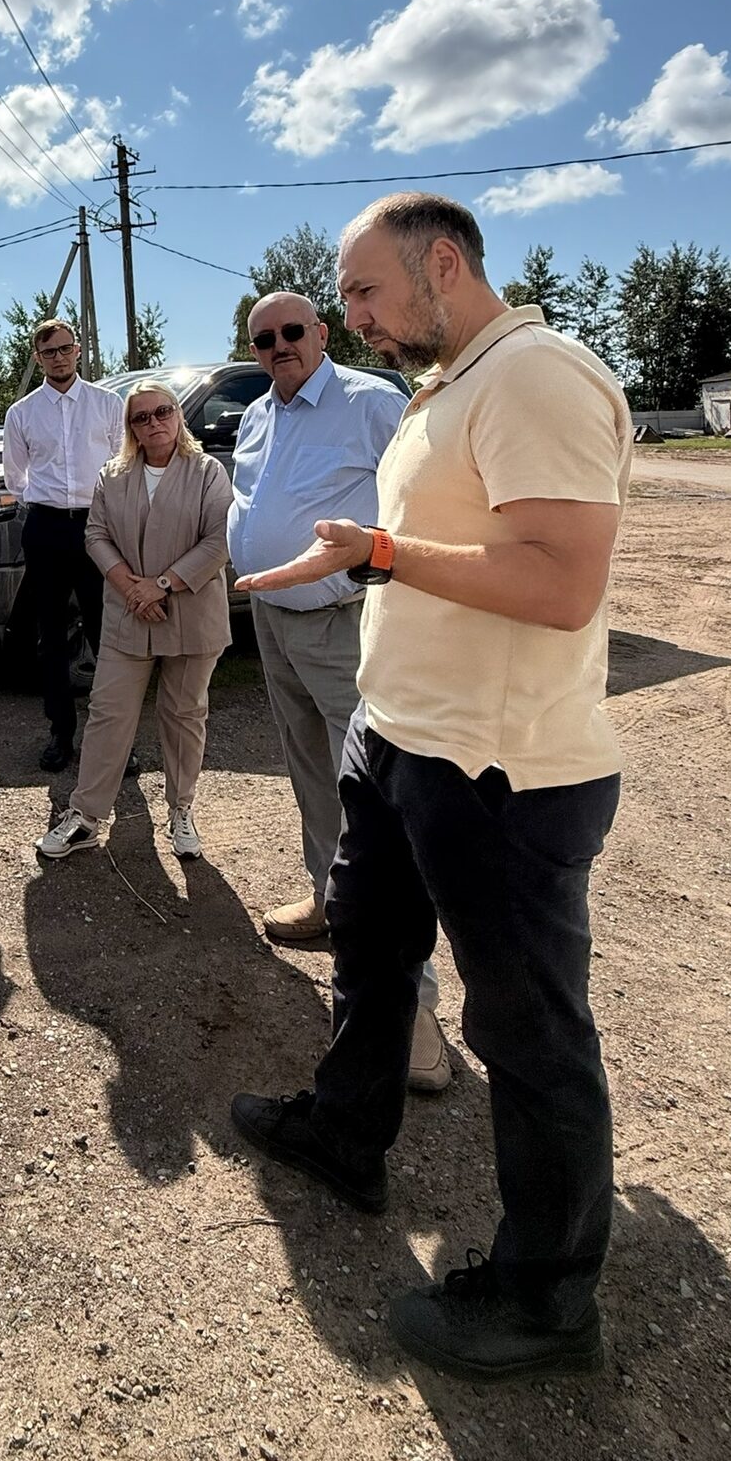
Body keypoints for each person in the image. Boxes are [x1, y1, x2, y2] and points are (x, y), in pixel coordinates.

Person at [229, 192, 632, 1383]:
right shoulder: (449, 385)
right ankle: (347, 1131)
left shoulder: (538, 375)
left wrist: (385, 553)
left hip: (499, 768)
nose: (352, 316)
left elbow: (560, 580)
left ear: (441, 262)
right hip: (402, 738)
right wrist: (364, 561)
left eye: (363, 291)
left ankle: (549, 1296)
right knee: (369, 946)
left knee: (528, 1031)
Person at [228, 292, 452, 1096]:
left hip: (344, 623)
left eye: (293, 331)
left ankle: (413, 1006)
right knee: (315, 782)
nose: (279, 346)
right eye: (263, 338)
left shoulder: (370, 402)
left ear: (321, 334)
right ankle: (330, 903)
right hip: (276, 627)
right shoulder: (258, 415)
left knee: (378, 807)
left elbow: (423, 506)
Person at [37, 382, 231, 865]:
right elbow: (96, 535)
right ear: (130, 429)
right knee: (108, 713)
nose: (153, 422)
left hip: (190, 614)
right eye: (141, 417)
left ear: (178, 415)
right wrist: (133, 589)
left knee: (184, 716)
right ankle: (86, 815)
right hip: (129, 614)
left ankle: (181, 810)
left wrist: (161, 585)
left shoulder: (208, 472)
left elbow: (220, 540)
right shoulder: (114, 474)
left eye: (162, 411)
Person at [1, 318, 123, 770]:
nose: (59, 357)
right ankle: (60, 733)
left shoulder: (108, 404)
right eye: (49, 352)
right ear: (38, 358)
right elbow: (15, 477)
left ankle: (117, 738)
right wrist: (49, 499)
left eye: (65, 348)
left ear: (79, 350)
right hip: (47, 529)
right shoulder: (22, 413)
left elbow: (122, 465)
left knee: (107, 634)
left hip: (98, 527)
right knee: (50, 636)